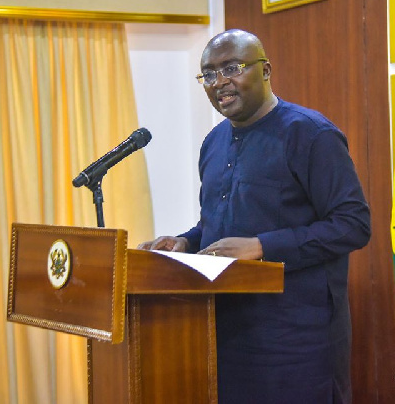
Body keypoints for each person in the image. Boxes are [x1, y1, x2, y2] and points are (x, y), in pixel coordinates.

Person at [138, 29, 370, 404]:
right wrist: (185, 242)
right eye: (208, 74)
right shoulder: (212, 145)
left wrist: (263, 247)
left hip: (296, 342)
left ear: (265, 70)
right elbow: (219, 224)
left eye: (232, 67)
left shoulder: (311, 135)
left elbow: (353, 225)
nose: (220, 83)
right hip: (226, 333)